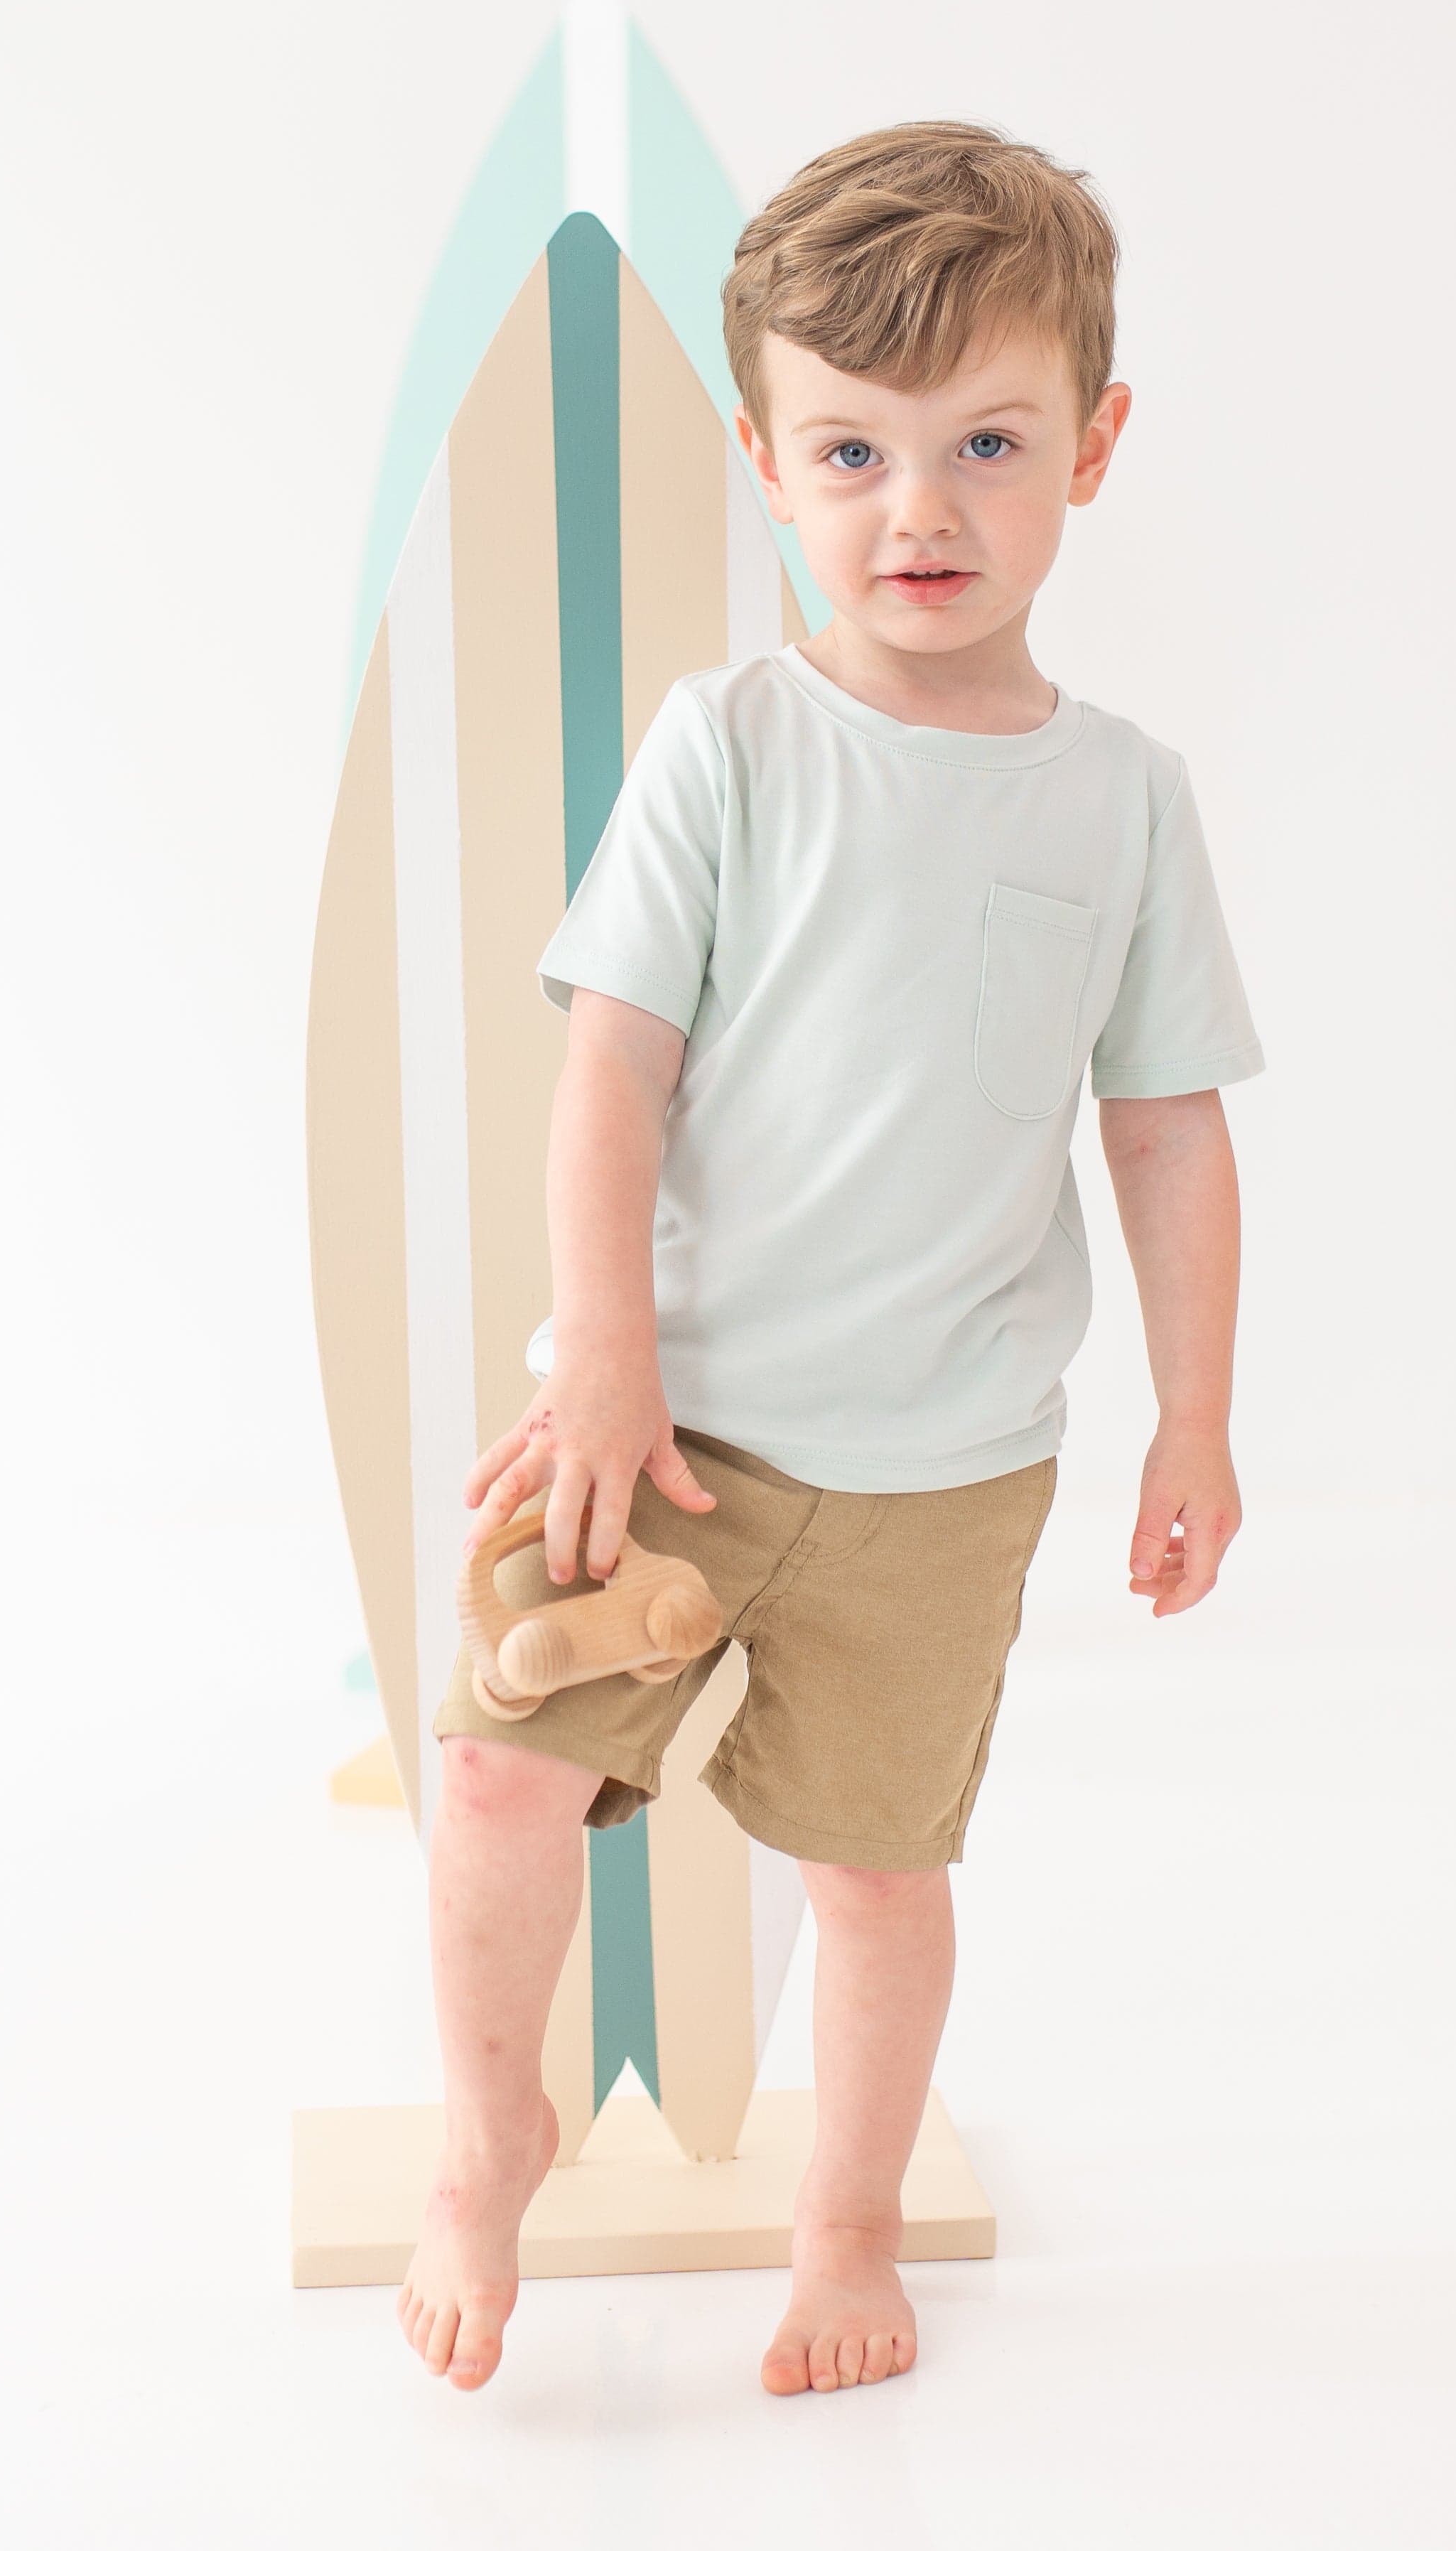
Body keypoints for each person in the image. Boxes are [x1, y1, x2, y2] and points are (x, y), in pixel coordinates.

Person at [397, 121, 1262, 2396]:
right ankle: (485, 2133)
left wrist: (1196, 1412)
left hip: (944, 1467)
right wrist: (601, 1358)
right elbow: (613, 1072)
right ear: (766, 462)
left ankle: (846, 2222)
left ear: (1094, 439)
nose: (925, 510)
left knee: (877, 1873)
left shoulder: (1124, 797)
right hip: (658, 1425)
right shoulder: (731, 746)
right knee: (496, 1768)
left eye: (988, 444)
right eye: (854, 451)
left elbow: (1164, 1131)